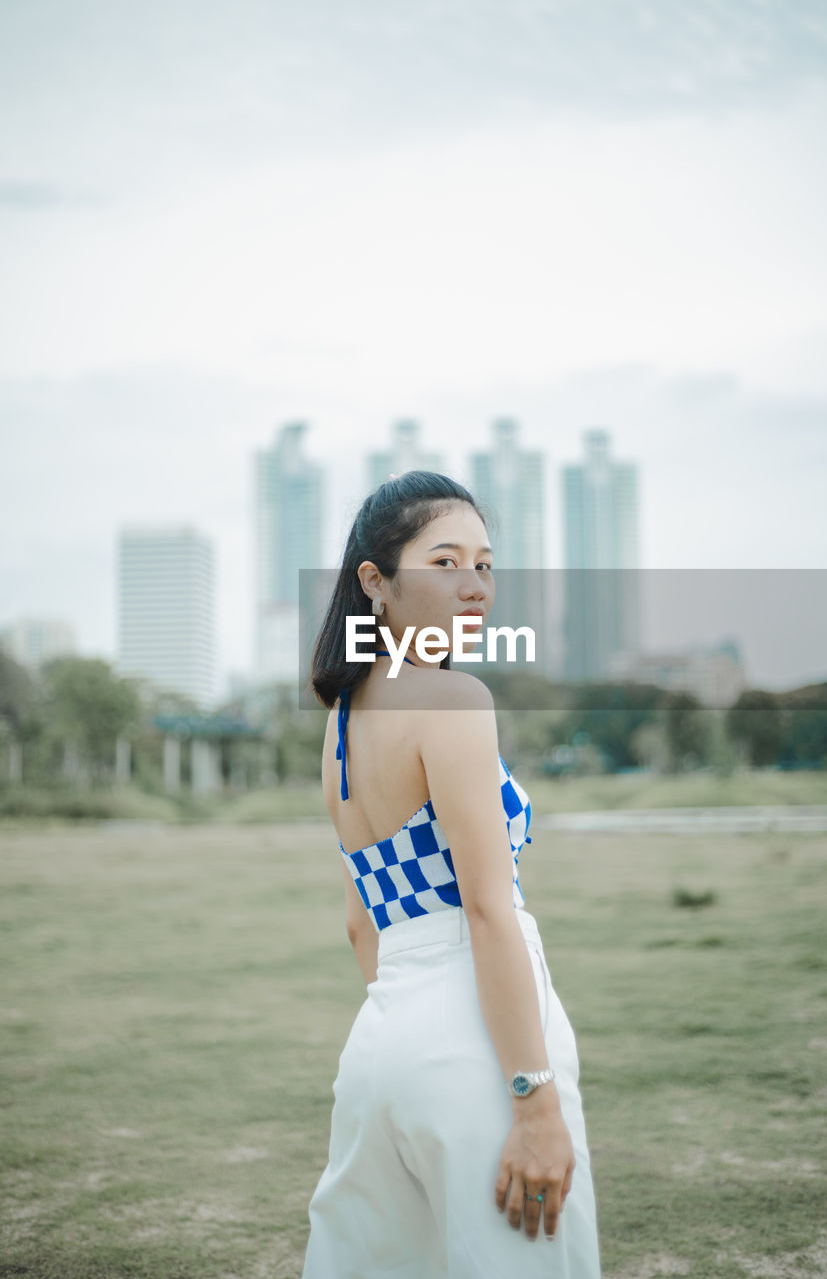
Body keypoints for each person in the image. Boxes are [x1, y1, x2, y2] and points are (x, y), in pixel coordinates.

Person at [302, 471, 601, 1279]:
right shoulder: (451, 699)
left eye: (483, 563)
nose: (474, 586)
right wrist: (532, 1100)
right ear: (376, 582)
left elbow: (363, 922)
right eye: (445, 563)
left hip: (382, 1043)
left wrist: (409, 1020)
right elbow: (486, 912)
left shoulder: (341, 722)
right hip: (477, 1043)